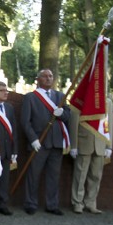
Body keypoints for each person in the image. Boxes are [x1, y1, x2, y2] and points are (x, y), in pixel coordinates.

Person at [20, 69, 70, 215]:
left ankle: (52, 204)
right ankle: (30, 203)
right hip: (39, 142)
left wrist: (63, 114)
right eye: (45, 76)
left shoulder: (60, 96)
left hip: (56, 142)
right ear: (38, 79)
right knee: (33, 175)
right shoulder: (31, 97)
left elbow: (68, 116)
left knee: (54, 176)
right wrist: (33, 139)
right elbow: (25, 121)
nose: (48, 79)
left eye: (50, 76)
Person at [67, 93, 113, 214]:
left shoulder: (107, 102)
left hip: (100, 143)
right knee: (80, 175)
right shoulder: (81, 100)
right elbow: (74, 122)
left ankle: (91, 202)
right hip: (84, 142)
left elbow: (109, 124)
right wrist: (74, 145)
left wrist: (109, 146)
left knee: (96, 176)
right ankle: (77, 202)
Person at [0, 80, 17, 215]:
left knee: (4, 179)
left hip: (7, 150)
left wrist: (14, 150)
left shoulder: (9, 108)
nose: (5, 93)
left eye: (6, 90)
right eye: (1, 90)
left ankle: (2, 204)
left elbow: (13, 130)